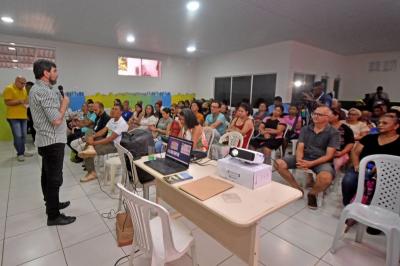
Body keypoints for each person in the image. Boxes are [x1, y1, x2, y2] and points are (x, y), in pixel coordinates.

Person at [29, 59, 76, 226]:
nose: (57, 74)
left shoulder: (40, 89)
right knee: (54, 178)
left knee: (47, 175)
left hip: (47, 140)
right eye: (55, 71)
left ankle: (52, 204)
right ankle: (54, 215)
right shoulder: (44, 92)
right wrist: (64, 104)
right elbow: (56, 119)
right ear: (46, 73)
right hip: (52, 141)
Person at [275, 106, 340, 209]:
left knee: (326, 178)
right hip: (305, 156)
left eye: (319, 114)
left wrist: (311, 164)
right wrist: (299, 160)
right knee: (278, 163)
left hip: (321, 161)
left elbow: (329, 155)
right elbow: (300, 147)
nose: (315, 116)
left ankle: (313, 194)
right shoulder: (306, 129)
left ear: (327, 117)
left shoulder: (333, 133)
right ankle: (297, 188)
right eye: (314, 113)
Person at [79, 104, 128, 182]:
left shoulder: (122, 123)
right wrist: (93, 136)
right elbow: (103, 131)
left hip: (114, 146)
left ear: (121, 112)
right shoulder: (112, 120)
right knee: (90, 133)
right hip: (106, 140)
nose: (113, 110)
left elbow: (110, 139)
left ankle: (92, 172)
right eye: (113, 108)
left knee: (92, 149)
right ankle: (89, 148)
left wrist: (94, 142)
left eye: (116, 109)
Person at [3, 76, 34, 161]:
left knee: (24, 135)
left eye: (24, 83)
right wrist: (19, 101)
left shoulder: (23, 90)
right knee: (18, 136)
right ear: (16, 81)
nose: (24, 85)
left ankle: (23, 151)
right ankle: (20, 153)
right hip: (13, 117)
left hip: (23, 117)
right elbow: (7, 102)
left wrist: (27, 104)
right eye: (22, 83)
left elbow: (25, 102)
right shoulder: (9, 88)